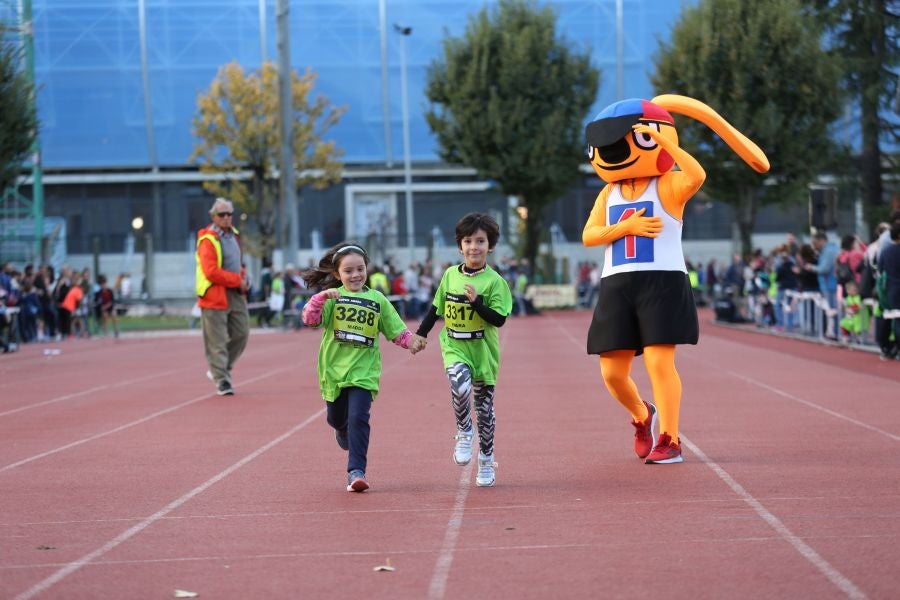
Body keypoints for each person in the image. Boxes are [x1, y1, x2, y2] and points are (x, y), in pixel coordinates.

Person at [301, 242, 422, 493]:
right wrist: (320, 298)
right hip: (334, 372)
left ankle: (356, 471)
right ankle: (340, 428)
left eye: (360, 269)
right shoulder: (333, 298)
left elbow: (395, 329)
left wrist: (411, 341)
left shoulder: (377, 299)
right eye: (348, 271)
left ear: (367, 268)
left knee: (358, 417)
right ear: (337, 274)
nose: (355, 275)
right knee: (336, 417)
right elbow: (310, 320)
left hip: (364, 373)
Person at [411, 213, 513, 487]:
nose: (474, 247)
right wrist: (421, 334)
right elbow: (436, 308)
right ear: (460, 246)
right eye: (468, 241)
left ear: (490, 246)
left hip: (483, 351)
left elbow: (499, 319)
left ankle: (487, 461)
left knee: (485, 410)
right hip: (455, 345)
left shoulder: (495, 282)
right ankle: (465, 431)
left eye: (480, 241)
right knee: (459, 385)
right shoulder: (449, 275)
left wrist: (477, 303)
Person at [195, 197, 250, 396]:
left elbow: (239, 265)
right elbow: (210, 271)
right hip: (213, 295)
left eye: (229, 214)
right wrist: (237, 280)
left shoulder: (234, 235)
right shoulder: (208, 239)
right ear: (213, 216)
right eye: (222, 214)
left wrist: (245, 279)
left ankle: (219, 368)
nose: (226, 218)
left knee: (242, 333)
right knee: (216, 342)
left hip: (235, 294)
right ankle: (222, 380)